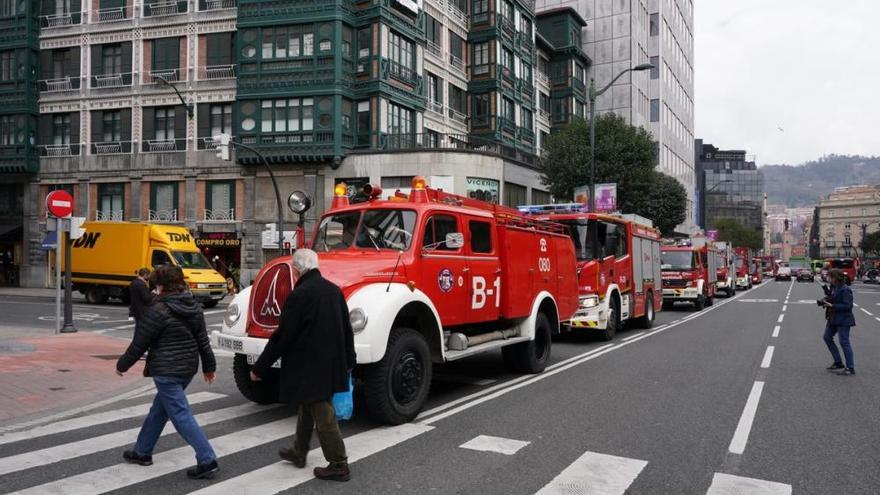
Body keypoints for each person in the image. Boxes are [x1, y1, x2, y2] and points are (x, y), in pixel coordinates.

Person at [250, 249, 356, 482]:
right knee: (308, 404)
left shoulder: (300, 295)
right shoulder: (334, 290)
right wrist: (350, 360)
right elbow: (347, 329)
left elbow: (282, 336)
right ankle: (299, 451)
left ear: (297, 270)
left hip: (309, 364)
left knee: (322, 410)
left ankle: (339, 464)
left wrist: (259, 368)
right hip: (330, 361)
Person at [116, 265, 220, 479]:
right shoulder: (194, 307)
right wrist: (209, 367)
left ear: (161, 285)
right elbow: (203, 340)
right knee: (159, 410)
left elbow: (140, 342)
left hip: (166, 370)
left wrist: (122, 365)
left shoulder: (158, 310)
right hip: (187, 368)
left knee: (180, 415)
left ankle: (207, 459)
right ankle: (142, 452)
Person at [821, 269, 856, 375]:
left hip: (844, 319)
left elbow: (848, 306)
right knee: (827, 337)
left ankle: (850, 368)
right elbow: (833, 298)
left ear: (835, 278)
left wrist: (832, 305)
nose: (828, 278)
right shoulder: (834, 287)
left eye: (830, 277)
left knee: (844, 342)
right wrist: (825, 300)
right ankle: (838, 362)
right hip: (833, 317)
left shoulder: (845, 290)